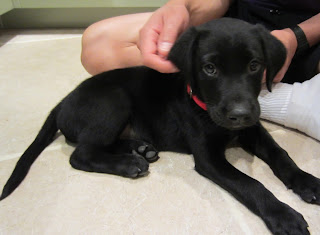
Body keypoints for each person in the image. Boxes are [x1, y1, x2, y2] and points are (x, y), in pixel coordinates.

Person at [80, 0, 320, 140]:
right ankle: (226, 89)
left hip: (311, 33)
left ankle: (287, 101)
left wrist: (295, 37)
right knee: (98, 46)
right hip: (241, 21)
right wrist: (184, 5)